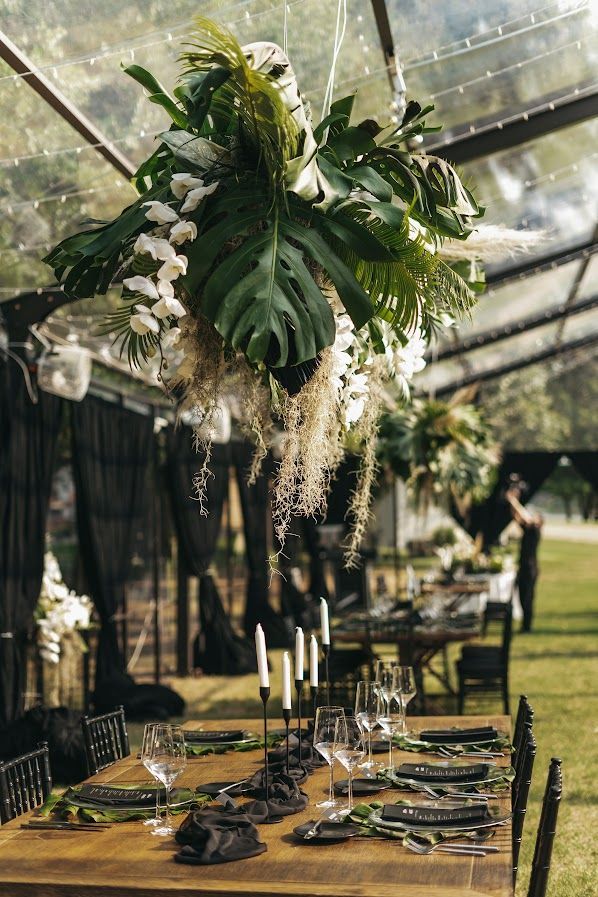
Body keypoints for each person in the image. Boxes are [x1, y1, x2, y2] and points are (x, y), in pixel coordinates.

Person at [505, 480, 544, 633]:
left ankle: (527, 627)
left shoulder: (534, 531)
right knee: (522, 597)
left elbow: (524, 516)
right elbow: (517, 516)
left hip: (529, 568)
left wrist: (513, 499)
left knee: (527, 597)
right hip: (526, 567)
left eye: (537, 517)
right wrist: (514, 499)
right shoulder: (529, 529)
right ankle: (525, 626)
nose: (533, 517)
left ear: (539, 523)